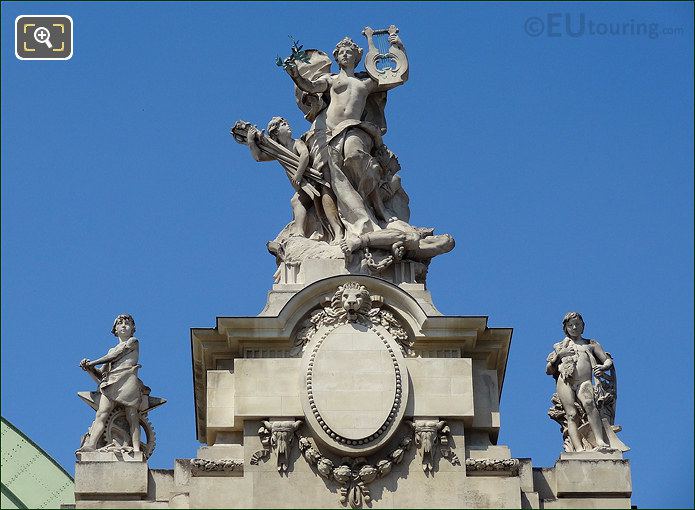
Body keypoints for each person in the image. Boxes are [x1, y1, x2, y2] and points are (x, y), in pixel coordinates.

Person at [285, 35, 407, 234]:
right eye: (341, 52)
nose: (344, 55)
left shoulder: (367, 82)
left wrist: (398, 47)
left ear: (357, 57)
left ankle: (373, 208)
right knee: (327, 180)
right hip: (327, 131)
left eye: (348, 52)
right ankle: (338, 230)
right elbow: (310, 86)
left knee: (356, 156)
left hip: (353, 127)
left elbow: (398, 77)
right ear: (336, 57)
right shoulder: (331, 80)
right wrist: (296, 76)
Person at [247, 117, 344, 243]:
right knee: (296, 202)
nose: (287, 125)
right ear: (276, 132)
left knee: (324, 200)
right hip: (303, 186)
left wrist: (298, 175)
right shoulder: (278, 151)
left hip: (313, 182)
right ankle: (299, 230)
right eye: (282, 124)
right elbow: (258, 157)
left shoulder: (297, 143)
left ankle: (338, 231)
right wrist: (251, 141)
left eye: (286, 122)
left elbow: (305, 156)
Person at [546, 312, 613, 451]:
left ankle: (599, 440)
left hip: (585, 381)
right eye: (570, 325)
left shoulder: (590, 344)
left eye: (578, 324)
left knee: (590, 404)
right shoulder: (560, 346)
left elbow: (607, 360)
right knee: (571, 414)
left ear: (583, 326)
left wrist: (604, 366)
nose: (574, 327)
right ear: (566, 328)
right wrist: (559, 356)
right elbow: (549, 370)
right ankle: (578, 448)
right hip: (565, 381)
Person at [77, 314, 144, 453]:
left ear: (133, 328)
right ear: (115, 329)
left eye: (127, 323)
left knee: (132, 417)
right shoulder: (110, 350)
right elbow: (101, 374)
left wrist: (92, 362)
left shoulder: (133, 341)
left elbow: (115, 356)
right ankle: (91, 445)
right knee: (101, 414)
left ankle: (137, 449)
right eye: (120, 323)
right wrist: (89, 369)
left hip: (128, 380)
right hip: (110, 382)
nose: (124, 325)